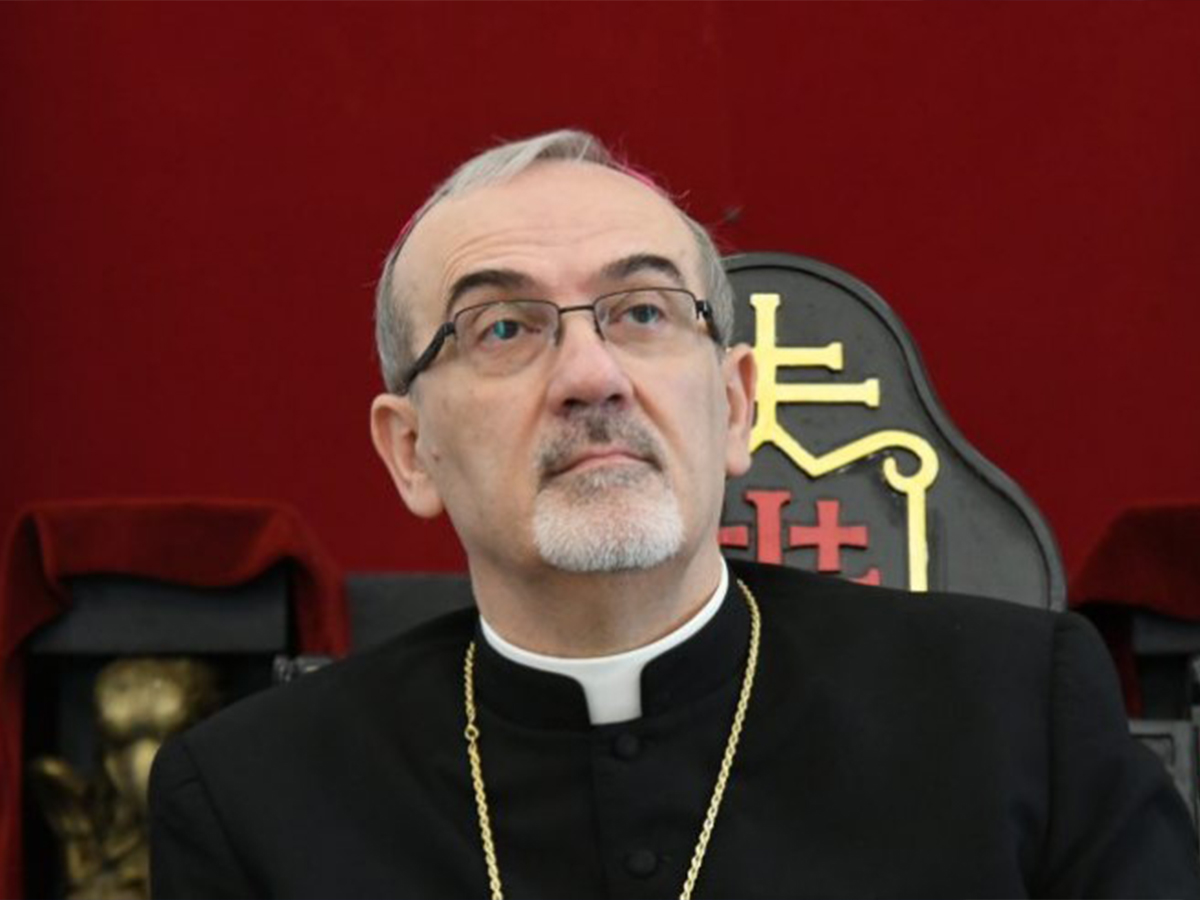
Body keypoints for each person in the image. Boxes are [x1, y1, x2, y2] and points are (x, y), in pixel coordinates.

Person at [148, 130, 1200, 899]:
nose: (590, 375)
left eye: (644, 311)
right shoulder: (252, 796)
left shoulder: (1018, 712)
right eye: (504, 327)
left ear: (735, 406)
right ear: (411, 451)